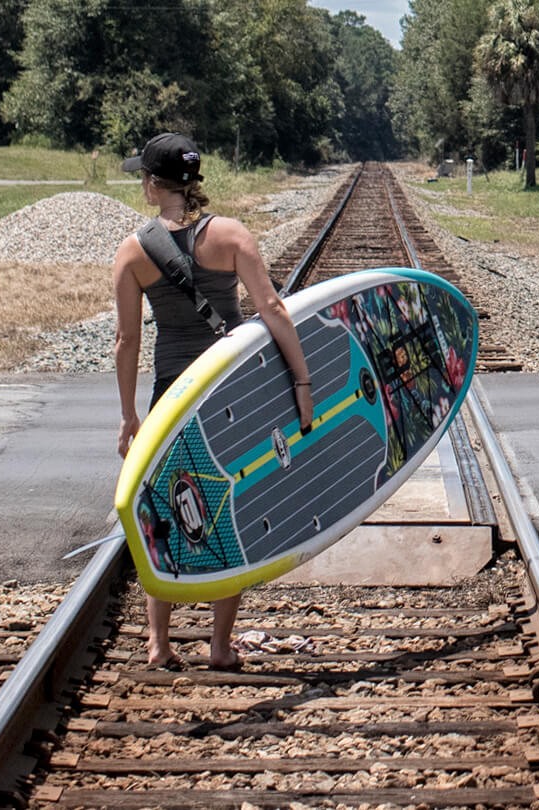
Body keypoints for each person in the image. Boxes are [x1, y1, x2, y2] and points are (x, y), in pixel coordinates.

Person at [111, 132, 314, 670]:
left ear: (154, 186)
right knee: (232, 506)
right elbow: (272, 308)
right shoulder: (230, 235)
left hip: (170, 396)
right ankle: (220, 646)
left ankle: (159, 644)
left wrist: (130, 416)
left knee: (161, 513)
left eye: (144, 178)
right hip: (229, 392)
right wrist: (302, 381)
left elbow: (126, 341)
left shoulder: (134, 251)